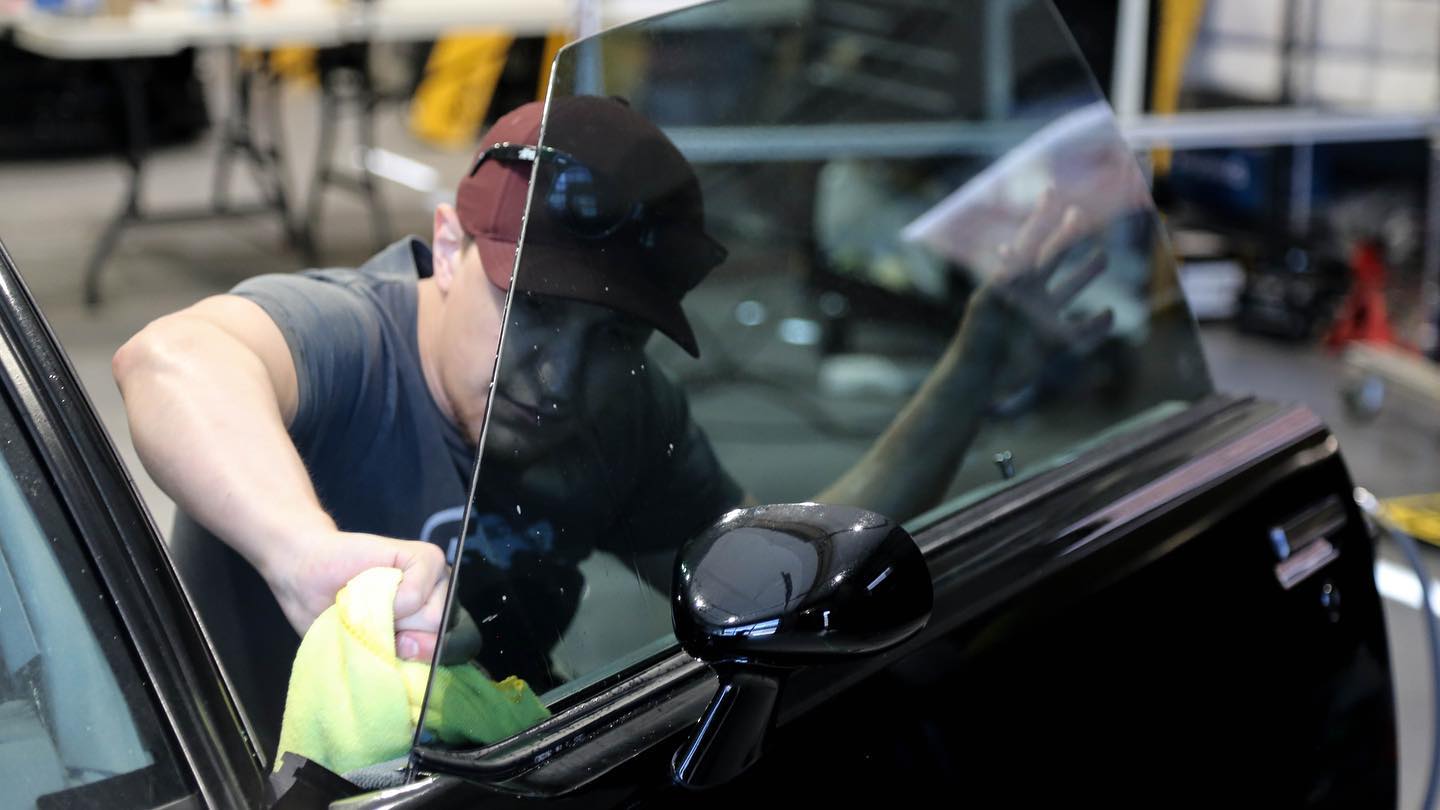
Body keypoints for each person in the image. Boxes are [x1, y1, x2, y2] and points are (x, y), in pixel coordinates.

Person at [113, 95, 1106, 752]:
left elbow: (777, 575)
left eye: (614, 338)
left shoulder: (620, 414)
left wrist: (971, 372)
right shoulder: (349, 337)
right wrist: (304, 553)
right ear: (451, 244)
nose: (563, 377)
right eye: (532, 312)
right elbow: (175, 359)